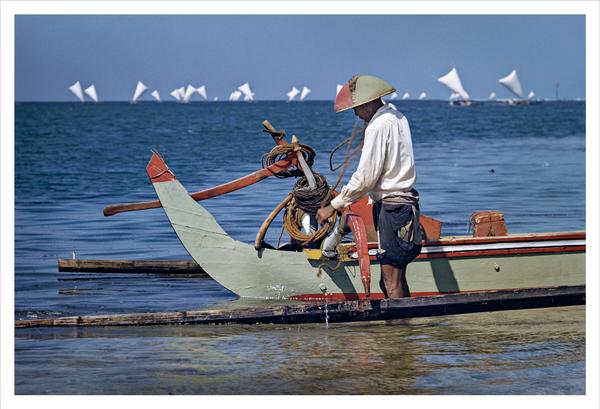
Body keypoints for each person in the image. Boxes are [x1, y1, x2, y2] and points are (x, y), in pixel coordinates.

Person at [316, 75, 422, 298]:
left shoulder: (378, 126)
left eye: (356, 108)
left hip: (392, 208)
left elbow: (366, 178)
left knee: (389, 280)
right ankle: (406, 328)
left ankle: (395, 331)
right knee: (398, 277)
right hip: (406, 205)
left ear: (368, 103)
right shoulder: (397, 117)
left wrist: (333, 206)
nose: (355, 114)